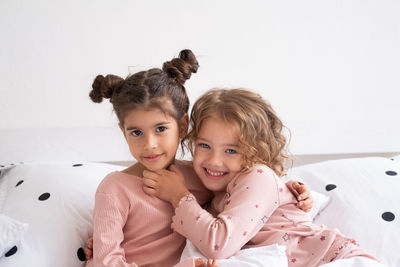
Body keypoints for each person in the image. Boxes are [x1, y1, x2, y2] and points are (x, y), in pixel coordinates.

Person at [85, 50, 312, 267]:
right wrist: (99, 239)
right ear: (122, 131)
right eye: (136, 132)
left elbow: (243, 199)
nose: (149, 144)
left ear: (183, 126)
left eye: (161, 129)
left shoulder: (198, 176)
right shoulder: (115, 188)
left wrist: (288, 193)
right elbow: (106, 261)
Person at [142, 88, 381, 267]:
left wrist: (179, 197)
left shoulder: (257, 176)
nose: (214, 160)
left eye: (231, 150)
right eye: (204, 145)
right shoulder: (218, 190)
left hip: (336, 261)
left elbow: (219, 245)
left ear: (256, 152)